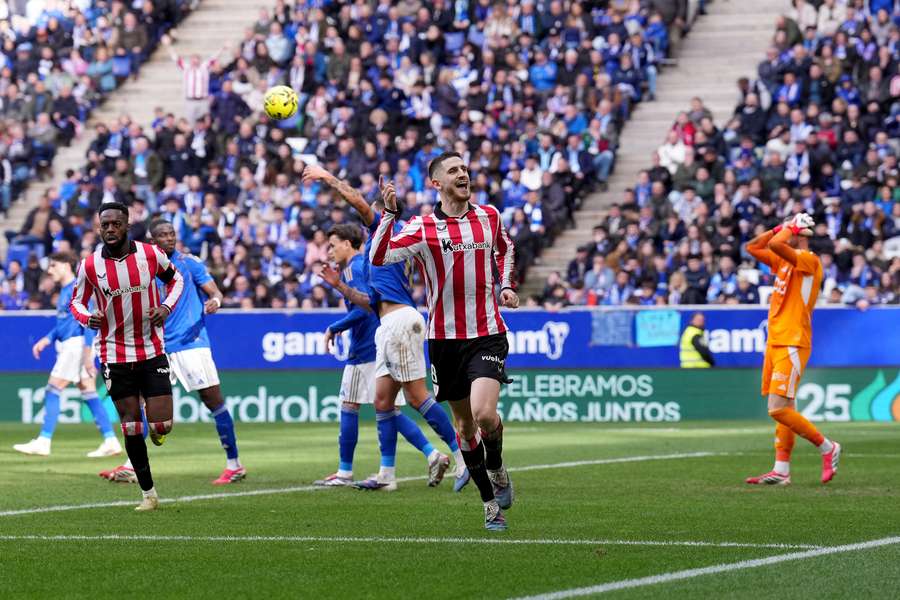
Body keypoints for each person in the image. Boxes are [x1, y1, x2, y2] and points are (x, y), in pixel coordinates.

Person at [370, 152, 519, 531]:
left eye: (465, 168)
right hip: (443, 340)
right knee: (465, 428)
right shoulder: (421, 227)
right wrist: (389, 215)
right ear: (437, 183)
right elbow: (380, 256)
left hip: (487, 332)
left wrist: (505, 285)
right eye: (454, 170)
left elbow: (505, 248)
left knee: (486, 415)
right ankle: (489, 503)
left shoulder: (488, 216)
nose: (463, 174)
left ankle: (497, 464)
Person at [301, 164, 469, 493]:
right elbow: (368, 303)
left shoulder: (389, 230)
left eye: (375, 213)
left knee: (417, 396)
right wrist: (340, 287)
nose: (369, 218)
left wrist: (327, 177)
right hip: (391, 321)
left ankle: (462, 456)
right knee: (382, 402)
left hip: (399, 321)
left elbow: (358, 203)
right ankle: (386, 475)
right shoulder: (384, 250)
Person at [100, 220, 244, 485]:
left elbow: (216, 292)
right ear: (153, 241)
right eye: (163, 235)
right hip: (158, 345)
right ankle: (131, 464)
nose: (169, 238)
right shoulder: (144, 266)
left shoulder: (189, 263)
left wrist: (215, 301)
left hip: (191, 343)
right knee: (142, 402)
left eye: (172, 234)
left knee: (213, 401)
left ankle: (234, 464)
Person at [314, 224, 450, 487]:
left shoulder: (355, 268)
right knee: (387, 409)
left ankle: (346, 472)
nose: (329, 251)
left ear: (348, 244)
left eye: (333, 244)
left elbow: (366, 306)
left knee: (353, 405)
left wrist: (335, 326)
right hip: (376, 343)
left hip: (367, 348)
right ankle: (431, 454)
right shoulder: (355, 267)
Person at [70, 202, 185, 511]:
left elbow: (176, 280)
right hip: (113, 352)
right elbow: (76, 302)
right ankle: (149, 494)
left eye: (115, 224)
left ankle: (157, 426)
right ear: (99, 227)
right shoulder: (90, 265)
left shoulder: (149, 255)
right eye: (104, 224)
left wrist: (165, 308)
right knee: (131, 425)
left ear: (126, 225)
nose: (110, 229)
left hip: (151, 349)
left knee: (161, 426)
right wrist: (87, 318)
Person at [744, 213, 840, 486]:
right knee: (786, 406)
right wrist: (778, 226)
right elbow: (752, 247)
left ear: (800, 235)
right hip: (775, 340)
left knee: (777, 409)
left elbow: (774, 245)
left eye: (792, 231)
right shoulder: (783, 262)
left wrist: (788, 228)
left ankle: (827, 447)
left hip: (793, 340)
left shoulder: (809, 261)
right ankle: (781, 469)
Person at [13, 252, 122, 458]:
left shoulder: (78, 288)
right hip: (73, 344)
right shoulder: (64, 291)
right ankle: (111, 441)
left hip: (77, 346)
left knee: (53, 388)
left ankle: (44, 441)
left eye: (53, 266)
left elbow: (90, 322)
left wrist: (88, 355)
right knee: (88, 392)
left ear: (66, 265)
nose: (50, 270)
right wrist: (47, 338)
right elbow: (64, 323)